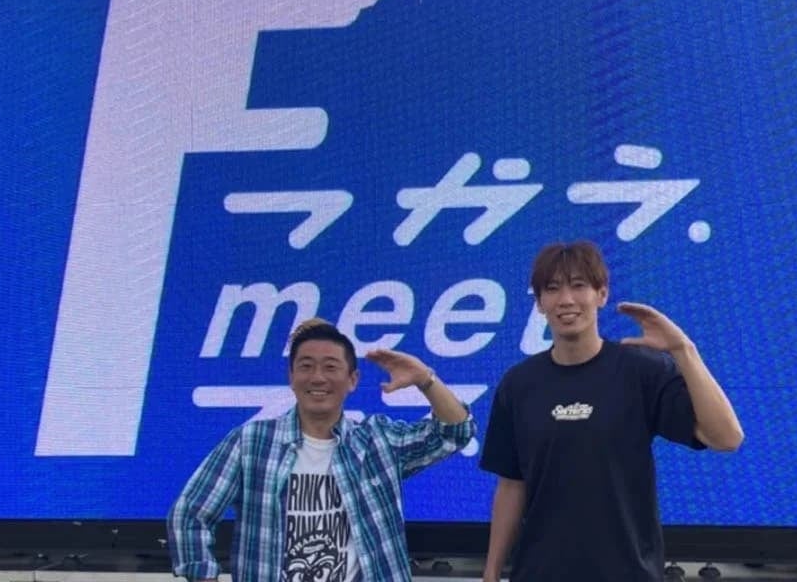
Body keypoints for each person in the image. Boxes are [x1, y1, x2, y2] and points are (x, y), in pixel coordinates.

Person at [480, 240, 744, 582]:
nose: (566, 300)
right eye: (552, 289)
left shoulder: (641, 371)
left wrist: (683, 349)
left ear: (601, 294)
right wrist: (491, 572)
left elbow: (726, 438)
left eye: (579, 285)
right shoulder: (518, 384)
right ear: (540, 303)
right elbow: (512, 485)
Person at [167, 317, 475, 582]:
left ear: (352, 380)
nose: (318, 377)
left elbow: (455, 432)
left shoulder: (377, 441)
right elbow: (189, 514)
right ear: (291, 377)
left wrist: (425, 379)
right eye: (306, 366)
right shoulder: (252, 442)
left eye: (330, 367)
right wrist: (204, 573)